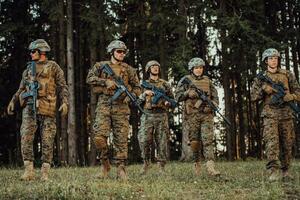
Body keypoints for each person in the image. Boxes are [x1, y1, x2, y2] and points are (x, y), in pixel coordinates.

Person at [7, 39, 69, 181]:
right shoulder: (28, 70)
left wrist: (65, 102)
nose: (31, 54)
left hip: (47, 108)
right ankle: (29, 170)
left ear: (42, 52)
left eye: (33, 51)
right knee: (26, 136)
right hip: (29, 108)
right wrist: (13, 101)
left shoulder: (53, 67)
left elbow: (62, 86)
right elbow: (21, 88)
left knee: (47, 140)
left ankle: (44, 173)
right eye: (30, 51)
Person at [86, 40, 141, 181]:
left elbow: (137, 88)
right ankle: (105, 164)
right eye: (118, 51)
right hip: (104, 104)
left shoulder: (129, 69)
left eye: (123, 52)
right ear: (112, 52)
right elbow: (89, 79)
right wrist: (105, 82)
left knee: (121, 139)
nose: (122, 54)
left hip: (122, 106)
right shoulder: (101, 66)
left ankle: (121, 169)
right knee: (99, 137)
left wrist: (132, 96)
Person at [251, 48, 300, 181]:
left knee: (287, 143)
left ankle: (286, 171)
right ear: (266, 61)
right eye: (271, 58)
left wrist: (292, 96)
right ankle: (273, 171)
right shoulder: (261, 77)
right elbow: (253, 96)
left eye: (276, 58)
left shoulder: (287, 74)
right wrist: (263, 89)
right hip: (270, 114)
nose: (273, 60)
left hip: (286, 114)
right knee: (272, 143)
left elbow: (298, 92)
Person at [175, 57, 220, 176]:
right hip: (192, 116)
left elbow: (215, 97)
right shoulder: (185, 80)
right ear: (192, 69)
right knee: (194, 141)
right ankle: (197, 163)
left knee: (208, 140)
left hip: (206, 115)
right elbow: (177, 97)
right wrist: (187, 93)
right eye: (196, 68)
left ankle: (211, 167)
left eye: (200, 68)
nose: (199, 70)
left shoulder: (207, 80)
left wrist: (213, 105)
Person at [138, 60, 174, 174]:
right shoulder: (143, 84)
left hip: (161, 115)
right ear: (148, 69)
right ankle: (146, 164)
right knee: (144, 140)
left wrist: (169, 104)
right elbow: (136, 101)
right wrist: (145, 94)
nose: (155, 68)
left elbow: (172, 100)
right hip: (147, 115)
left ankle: (161, 167)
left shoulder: (165, 84)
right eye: (152, 66)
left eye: (157, 66)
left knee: (162, 141)